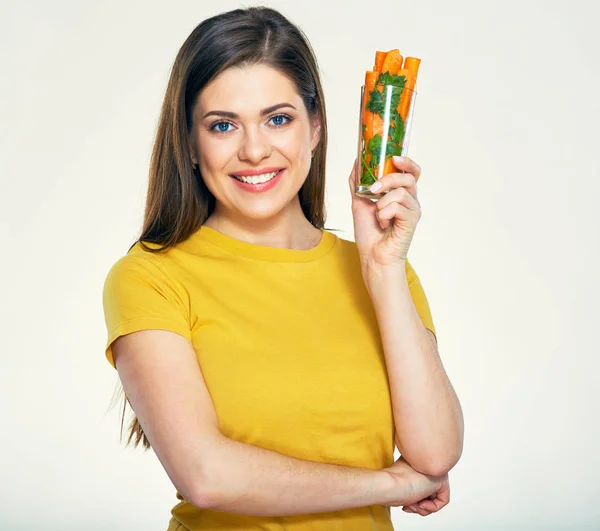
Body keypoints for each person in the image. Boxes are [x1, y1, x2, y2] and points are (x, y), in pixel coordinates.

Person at [101, 6, 463, 530]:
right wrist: (391, 484)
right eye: (223, 125)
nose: (254, 150)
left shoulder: (383, 273)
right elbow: (207, 475)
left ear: (314, 128)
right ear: (191, 144)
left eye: (278, 119)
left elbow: (435, 452)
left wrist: (382, 270)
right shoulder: (150, 278)